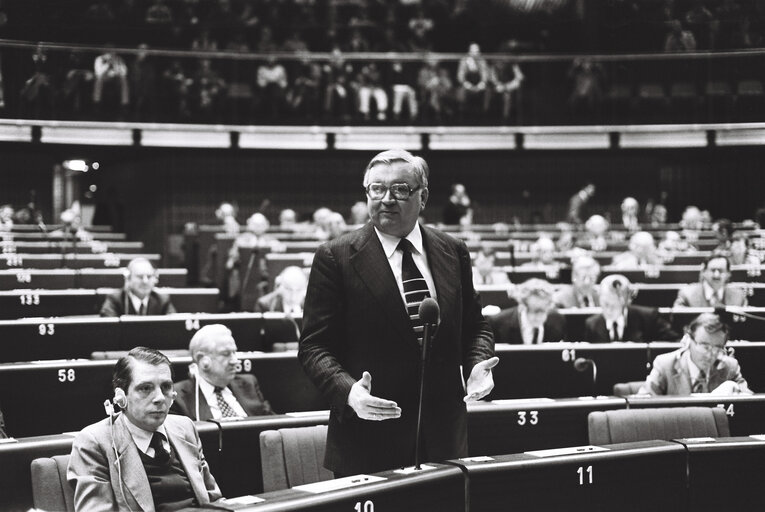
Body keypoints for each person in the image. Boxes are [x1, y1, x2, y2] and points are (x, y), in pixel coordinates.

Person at [299, 149, 496, 476]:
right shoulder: (335, 257)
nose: (387, 199)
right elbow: (313, 347)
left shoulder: (453, 250)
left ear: (423, 197)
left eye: (401, 189)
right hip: (369, 439)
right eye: (377, 189)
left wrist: (476, 364)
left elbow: (475, 327)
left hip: (444, 439)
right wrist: (349, 392)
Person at [67, 347, 222, 510]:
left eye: (166, 387)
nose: (160, 398)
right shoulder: (94, 442)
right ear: (121, 397)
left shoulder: (185, 427)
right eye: (145, 388)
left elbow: (214, 500)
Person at [172, 325, 274, 421]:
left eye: (234, 352)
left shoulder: (249, 384)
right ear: (202, 360)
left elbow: (273, 422)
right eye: (226, 354)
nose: (235, 360)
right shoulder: (177, 396)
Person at [639, 313, 752, 395]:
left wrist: (736, 389)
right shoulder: (665, 365)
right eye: (705, 346)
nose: (710, 355)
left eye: (717, 348)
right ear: (688, 340)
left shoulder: (730, 367)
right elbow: (643, 406)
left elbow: (749, 403)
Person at [584, 274, 678, 342]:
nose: (608, 310)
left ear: (627, 301)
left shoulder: (648, 317)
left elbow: (673, 342)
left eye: (614, 305)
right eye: (605, 304)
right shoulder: (592, 324)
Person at [489, 278, 566, 344]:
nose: (539, 317)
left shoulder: (558, 320)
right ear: (522, 306)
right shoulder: (497, 323)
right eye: (535, 311)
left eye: (543, 311)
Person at [100, 257, 176, 316]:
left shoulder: (162, 300)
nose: (145, 281)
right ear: (128, 278)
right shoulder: (115, 299)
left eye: (149, 277)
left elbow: (174, 327)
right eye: (140, 277)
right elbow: (109, 331)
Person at [674, 254, 747, 307]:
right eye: (713, 270)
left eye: (721, 271)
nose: (716, 275)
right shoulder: (687, 294)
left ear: (728, 274)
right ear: (703, 272)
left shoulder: (739, 297)